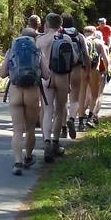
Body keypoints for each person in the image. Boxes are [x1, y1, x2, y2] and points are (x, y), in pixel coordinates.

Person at [0, 21, 49, 175]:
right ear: (34, 38)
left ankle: (17, 162)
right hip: (32, 93)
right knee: (30, 130)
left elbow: (2, 73)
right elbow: (47, 76)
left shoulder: (12, 50)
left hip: (15, 92)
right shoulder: (38, 51)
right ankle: (28, 157)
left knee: (17, 131)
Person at [37, 12, 73, 163]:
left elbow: (37, 60)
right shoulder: (66, 38)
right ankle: (56, 143)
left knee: (47, 110)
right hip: (62, 77)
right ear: (60, 25)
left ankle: (46, 142)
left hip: (46, 78)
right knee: (60, 110)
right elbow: (73, 59)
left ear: (46, 24)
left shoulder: (40, 40)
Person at [61, 13, 88, 141]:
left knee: (62, 100)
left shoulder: (58, 35)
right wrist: (87, 69)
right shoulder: (79, 35)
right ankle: (72, 118)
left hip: (61, 71)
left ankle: (63, 128)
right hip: (76, 68)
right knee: (75, 98)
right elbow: (86, 55)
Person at [78, 26, 107, 130]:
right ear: (94, 32)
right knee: (94, 95)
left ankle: (80, 121)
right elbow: (105, 59)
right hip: (94, 70)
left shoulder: (81, 40)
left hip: (82, 69)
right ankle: (90, 118)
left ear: (84, 32)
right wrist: (107, 70)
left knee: (82, 95)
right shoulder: (99, 42)